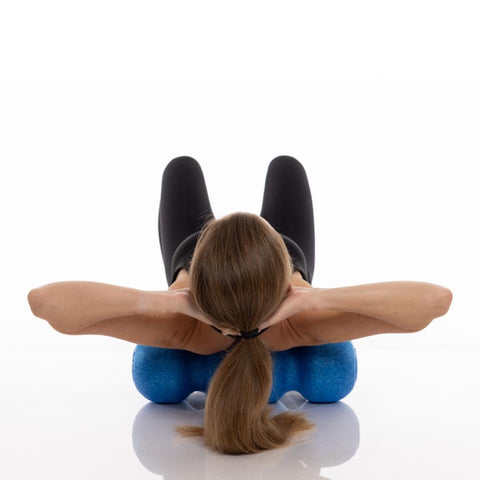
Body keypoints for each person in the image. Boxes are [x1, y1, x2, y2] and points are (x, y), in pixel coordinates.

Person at [27, 155, 453, 455]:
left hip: (211, 263)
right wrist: (316, 296)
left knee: (181, 168)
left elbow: (44, 303)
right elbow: (436, 301)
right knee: (285, 167)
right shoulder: (303, 323)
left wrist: (162, 299)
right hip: (261, 267)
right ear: (286, 276)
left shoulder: (182, 330)